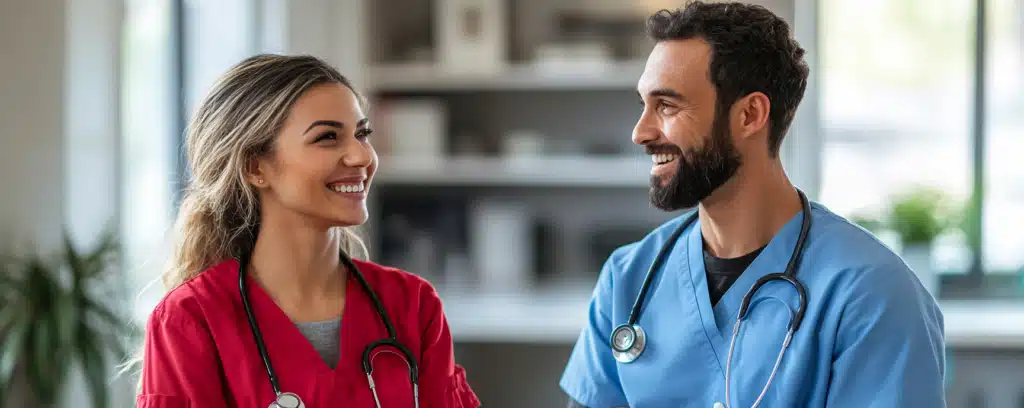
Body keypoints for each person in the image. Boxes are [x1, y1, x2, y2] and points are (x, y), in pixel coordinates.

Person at [559, 2, 946, 407]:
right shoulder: (627, 279)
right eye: (644, 105)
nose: (640, 132)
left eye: (667, 106)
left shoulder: (874, 296)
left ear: (750, 115)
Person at [134, 54, 480, 408]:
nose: (362, 156)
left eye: (362, 134)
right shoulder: (191, 319)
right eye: (328, 137)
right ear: (255, 167)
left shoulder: (412, 306)